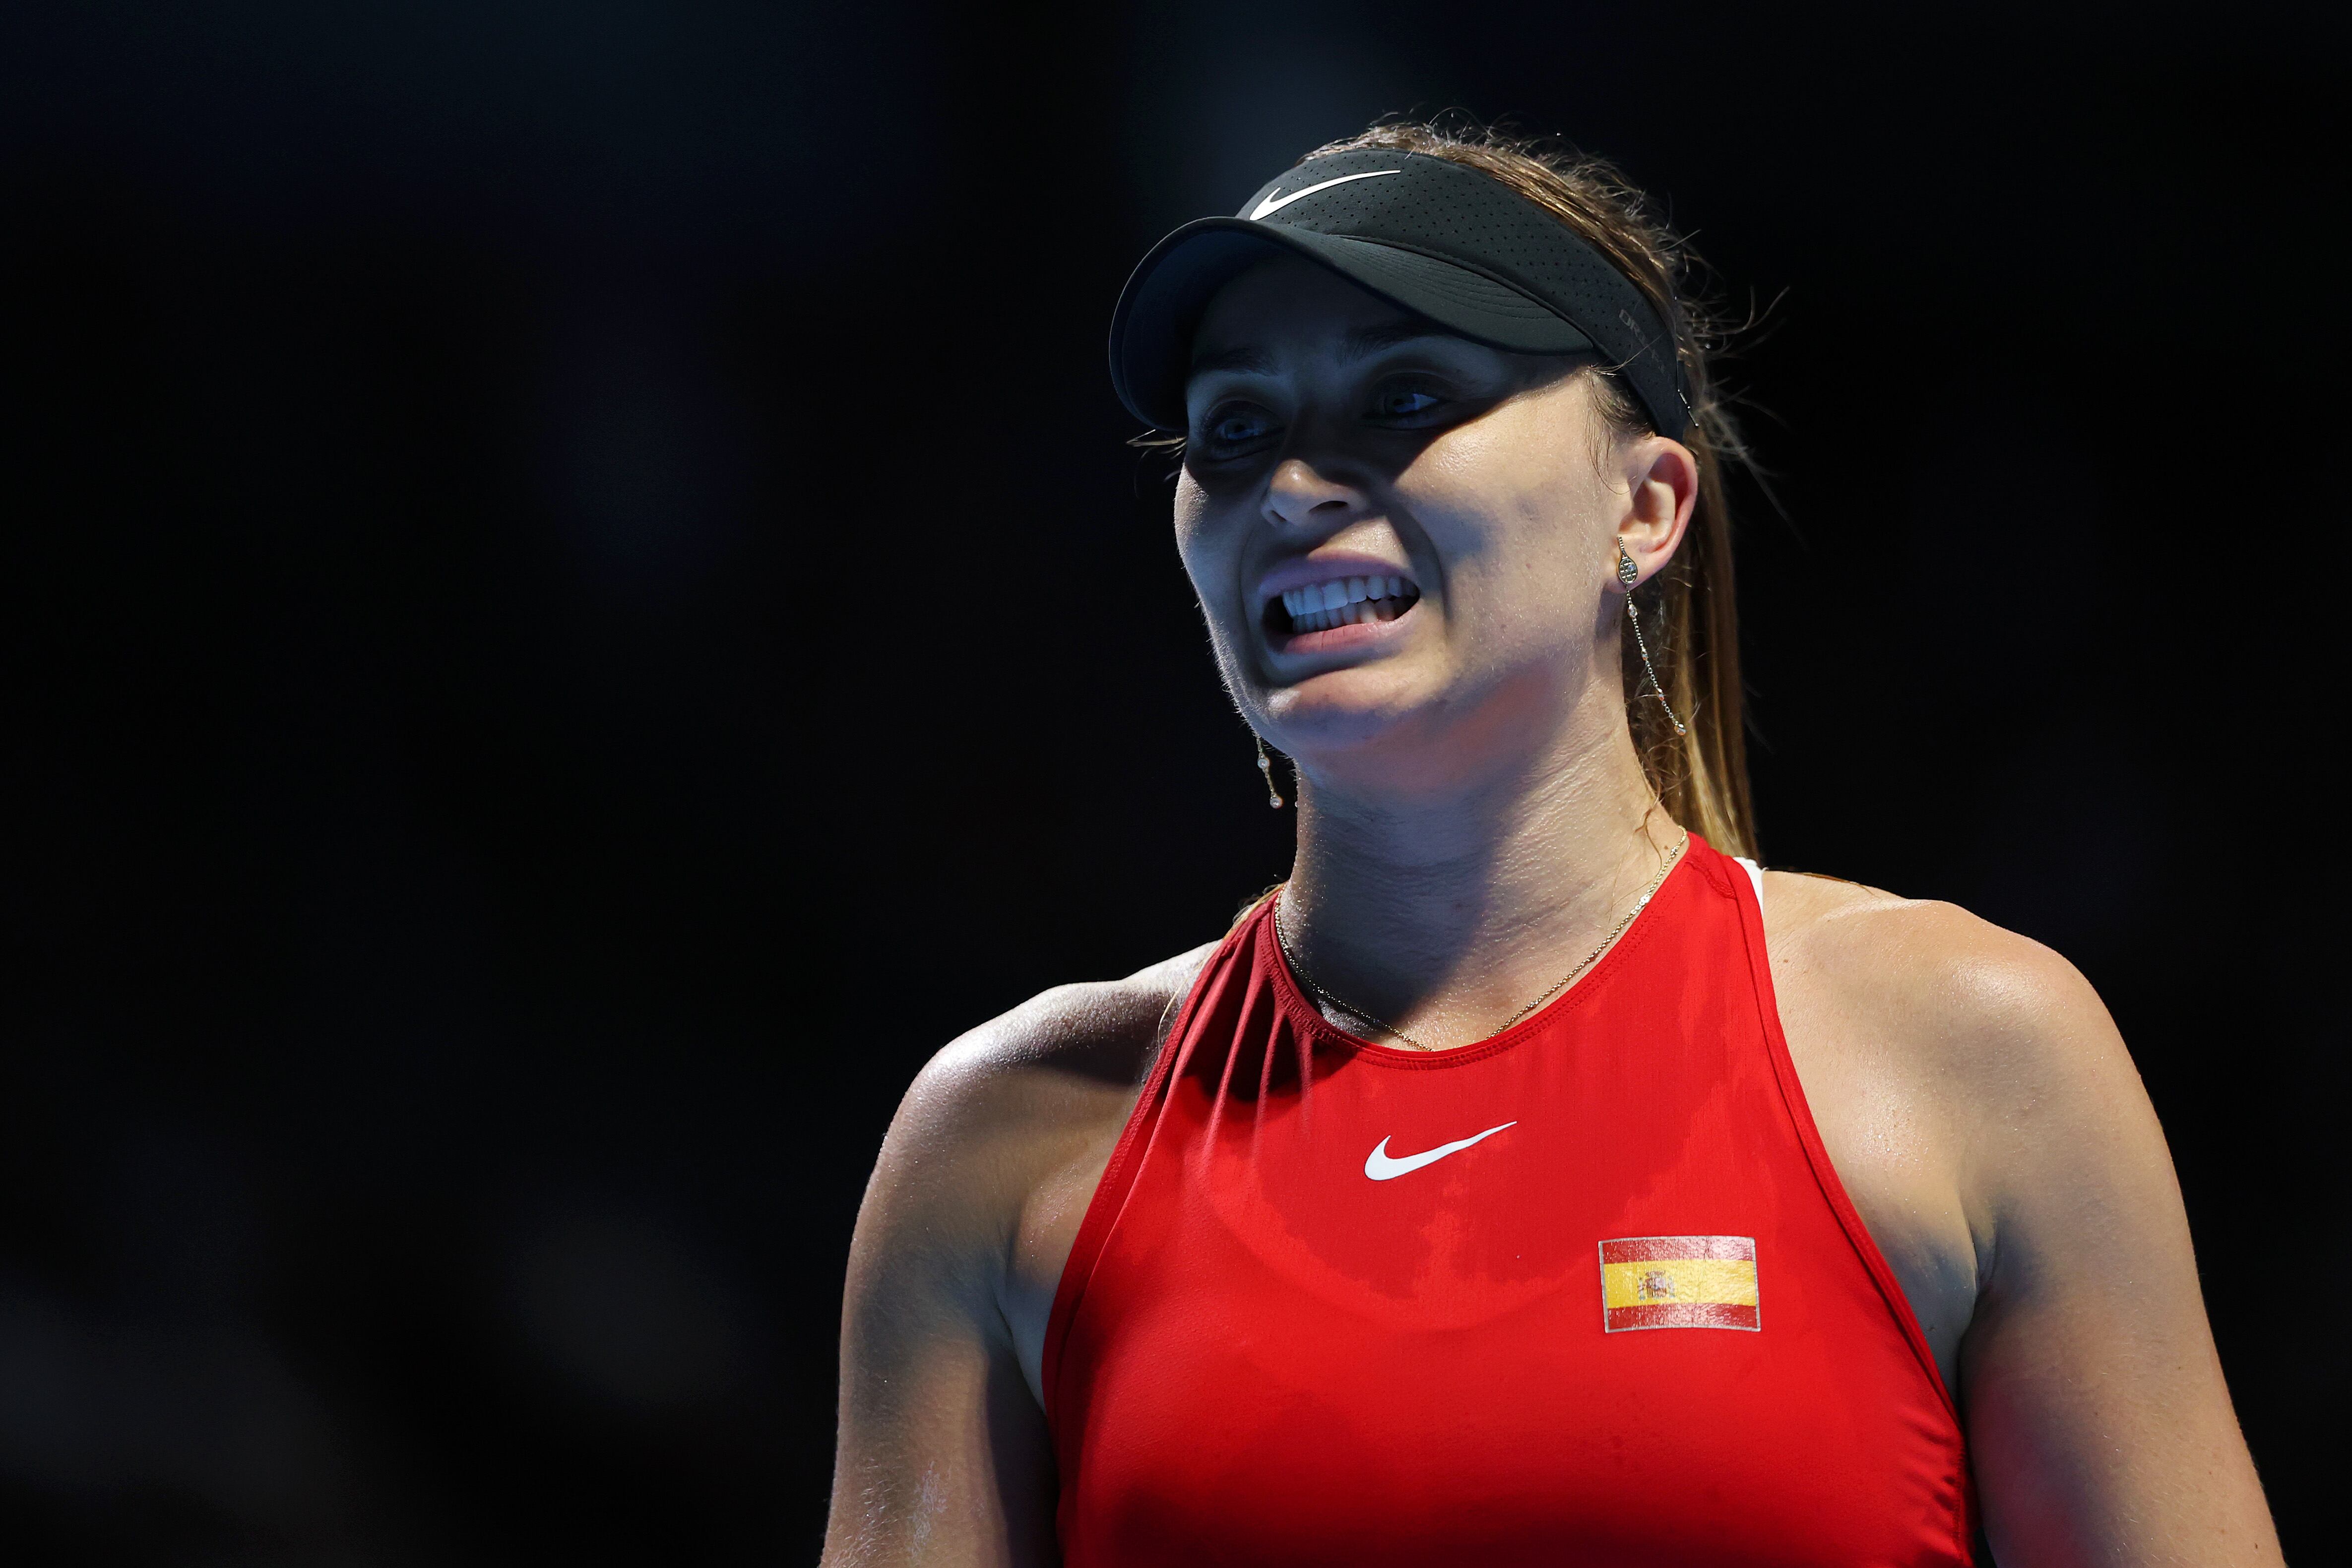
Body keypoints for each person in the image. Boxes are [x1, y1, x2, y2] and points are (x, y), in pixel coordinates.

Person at [821, 123, 2279, 1565]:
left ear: (1641, 507)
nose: (1295, 484)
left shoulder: (1972, 1052)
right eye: (1238, 429)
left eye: (1403, 397)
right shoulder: (1007, 1139)